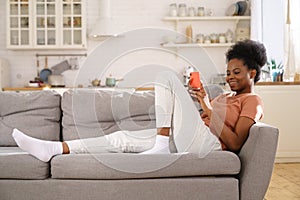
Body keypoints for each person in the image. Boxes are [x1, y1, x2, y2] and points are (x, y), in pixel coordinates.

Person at [12, 39, 267, 162]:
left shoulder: (253, 102)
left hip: (212, 146)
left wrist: (208, 108)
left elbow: (235, 143)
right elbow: (206, 118)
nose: (230, 77)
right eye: (228, 72)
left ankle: (160, 143)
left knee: (166, 76)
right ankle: (54, 149)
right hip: (189, 137)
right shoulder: (225, 96)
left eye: (236, 73)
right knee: (119, 139)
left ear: (252, 73)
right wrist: (202, 104)